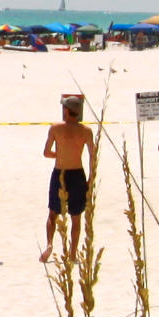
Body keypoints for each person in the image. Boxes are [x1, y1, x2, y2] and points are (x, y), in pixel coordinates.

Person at [40, 94, 96, 267]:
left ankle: (49, 244)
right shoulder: (86, 131)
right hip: (78, 173)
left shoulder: (56, 128)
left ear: (66, 110)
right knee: (76, 217)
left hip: (60, 173)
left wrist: (61, 153)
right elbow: (92, 156)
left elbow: (47, 152)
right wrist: (91, 179)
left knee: (53, 213)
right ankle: (72, 253)